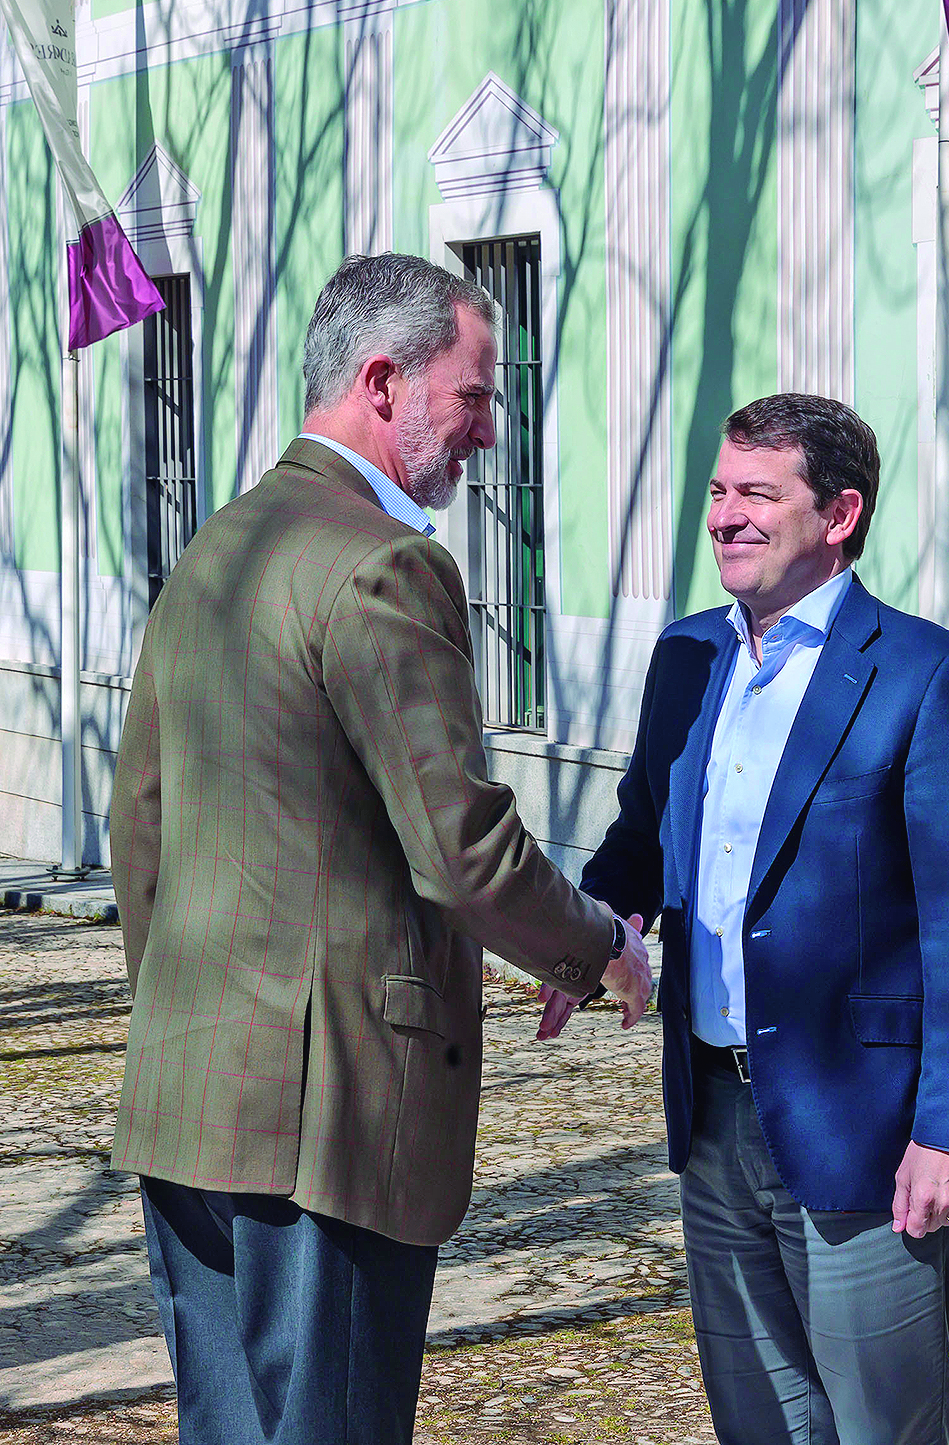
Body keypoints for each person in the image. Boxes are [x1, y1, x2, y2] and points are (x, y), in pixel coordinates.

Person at [109, 252, 652, 1445]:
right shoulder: (388, 563)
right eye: (473, 394)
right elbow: (459, 848)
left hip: (191, 1092)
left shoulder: (215, 548)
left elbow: (138, 827)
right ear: (381, 379)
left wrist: (182, 1011)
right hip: (328, 1115)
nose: (487, 430)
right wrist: (601, 945)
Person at [565, 392, 949, 1445]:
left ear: (840, 513)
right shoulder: (688, 655)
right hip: (714, 1113)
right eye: (719, 491)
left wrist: (948, 1130)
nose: (724, 515)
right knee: (758, 1423)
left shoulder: (924, 673)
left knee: (880, 1428)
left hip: (865, 1129)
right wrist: (583, 935)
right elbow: (642, 833)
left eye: (757, 494)